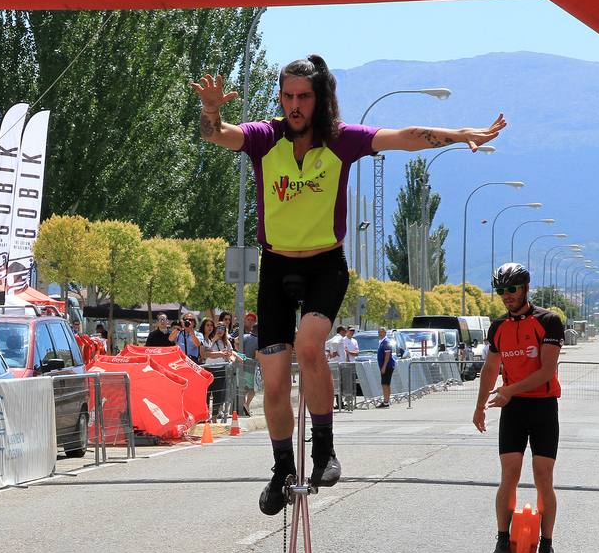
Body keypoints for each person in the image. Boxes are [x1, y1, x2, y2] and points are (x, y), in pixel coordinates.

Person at [192, 56, 506, 515]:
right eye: (288, 96)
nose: (295, 105)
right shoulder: (265, 137)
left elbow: (405, 138)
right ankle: (282, 467)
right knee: (274, 380)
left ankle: (324, 450)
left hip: (326, 265)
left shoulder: (340, 140)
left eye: (303, 96)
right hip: (275, 266)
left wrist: (459, 135)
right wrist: (212, 111)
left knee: (309, 346)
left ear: (319, 99)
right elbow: (216, 135)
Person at [473, 263, 562, 553]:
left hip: (543, 406)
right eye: (501, 291)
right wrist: (479, 404)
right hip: (512, 409)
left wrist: (509, 390)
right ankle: (501, 539)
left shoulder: (548, 321)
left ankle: (547, 545)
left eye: (512, 289)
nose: (506, 296)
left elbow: (546, 371)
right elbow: (490, 368)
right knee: (508, 476)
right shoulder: (498, 327)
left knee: (543, 477)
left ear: (525, 289)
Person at [200, 318, 230, 421]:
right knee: (207, 394)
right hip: (208, 369)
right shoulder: (209, 339)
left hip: (221, 369)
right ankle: (206, 416)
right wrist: (215, 339)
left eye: (223, 328)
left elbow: (229, 354)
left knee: (218, 395)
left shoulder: (226, 342)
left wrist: (229, 356)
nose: (220, 330)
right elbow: (206, 353)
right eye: (218, 328)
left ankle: (214, 417)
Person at [238, 312, 259, 416]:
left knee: (243, 389)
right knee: (253, 389)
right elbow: (257, 356)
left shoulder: (244, 336)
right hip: (251, 368)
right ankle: (246, 405)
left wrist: (240, 354)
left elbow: (236, 341)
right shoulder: (258, 340)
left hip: (241, 366)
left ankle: (244, 407)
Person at [376, 326, 397, 408]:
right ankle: (386, 401)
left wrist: (384, 366)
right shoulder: (381, 341)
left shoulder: (386, 342)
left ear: (385, 333)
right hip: (383, 366)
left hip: (387, 366)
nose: (380, 334)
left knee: (385, 384)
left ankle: (386, 401)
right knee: (386, 384)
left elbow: (387, 355)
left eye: (381, 332)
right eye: (379, 332)